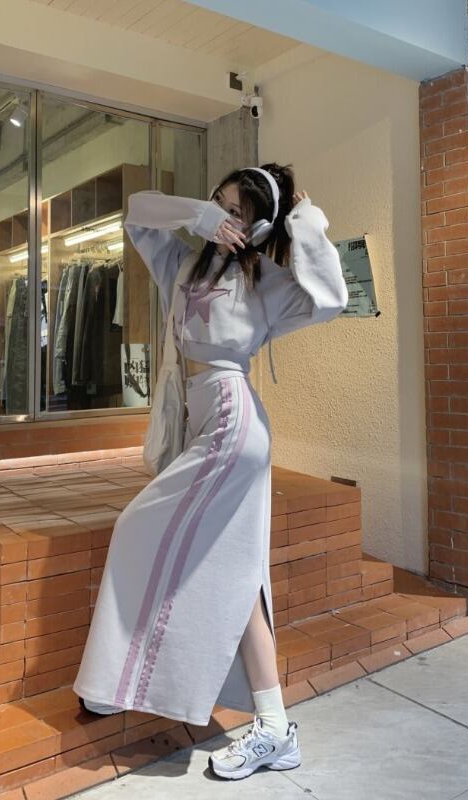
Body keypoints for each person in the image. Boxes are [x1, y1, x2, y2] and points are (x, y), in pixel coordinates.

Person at [72, 162, 349, 780]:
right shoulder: (182, 264)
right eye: (218, 203)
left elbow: (332, 298)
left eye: (236, 211)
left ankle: (114, 682)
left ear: (259, 226)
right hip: (199, 420)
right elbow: (138, 210)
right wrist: (197, 217)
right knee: (237, 572)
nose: (224, 217)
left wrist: (302, 219)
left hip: (233, 423)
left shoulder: (265, 281)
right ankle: (274, 727)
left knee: (135, 528)